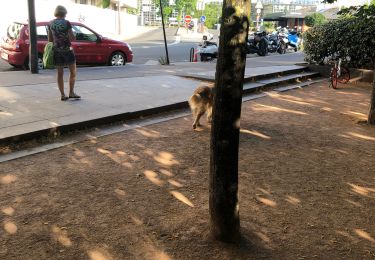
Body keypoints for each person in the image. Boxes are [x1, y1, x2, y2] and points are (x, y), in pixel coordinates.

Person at [48, 5, 80, 101]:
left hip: (57, 51)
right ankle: (71, 92)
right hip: (67, 50)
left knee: (60, 74)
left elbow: (50, 39)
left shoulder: (50, 23)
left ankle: (62, 95)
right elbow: (72, 38)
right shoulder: (66, 23)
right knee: (73, 72)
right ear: (64, 13)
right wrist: (74, 35)